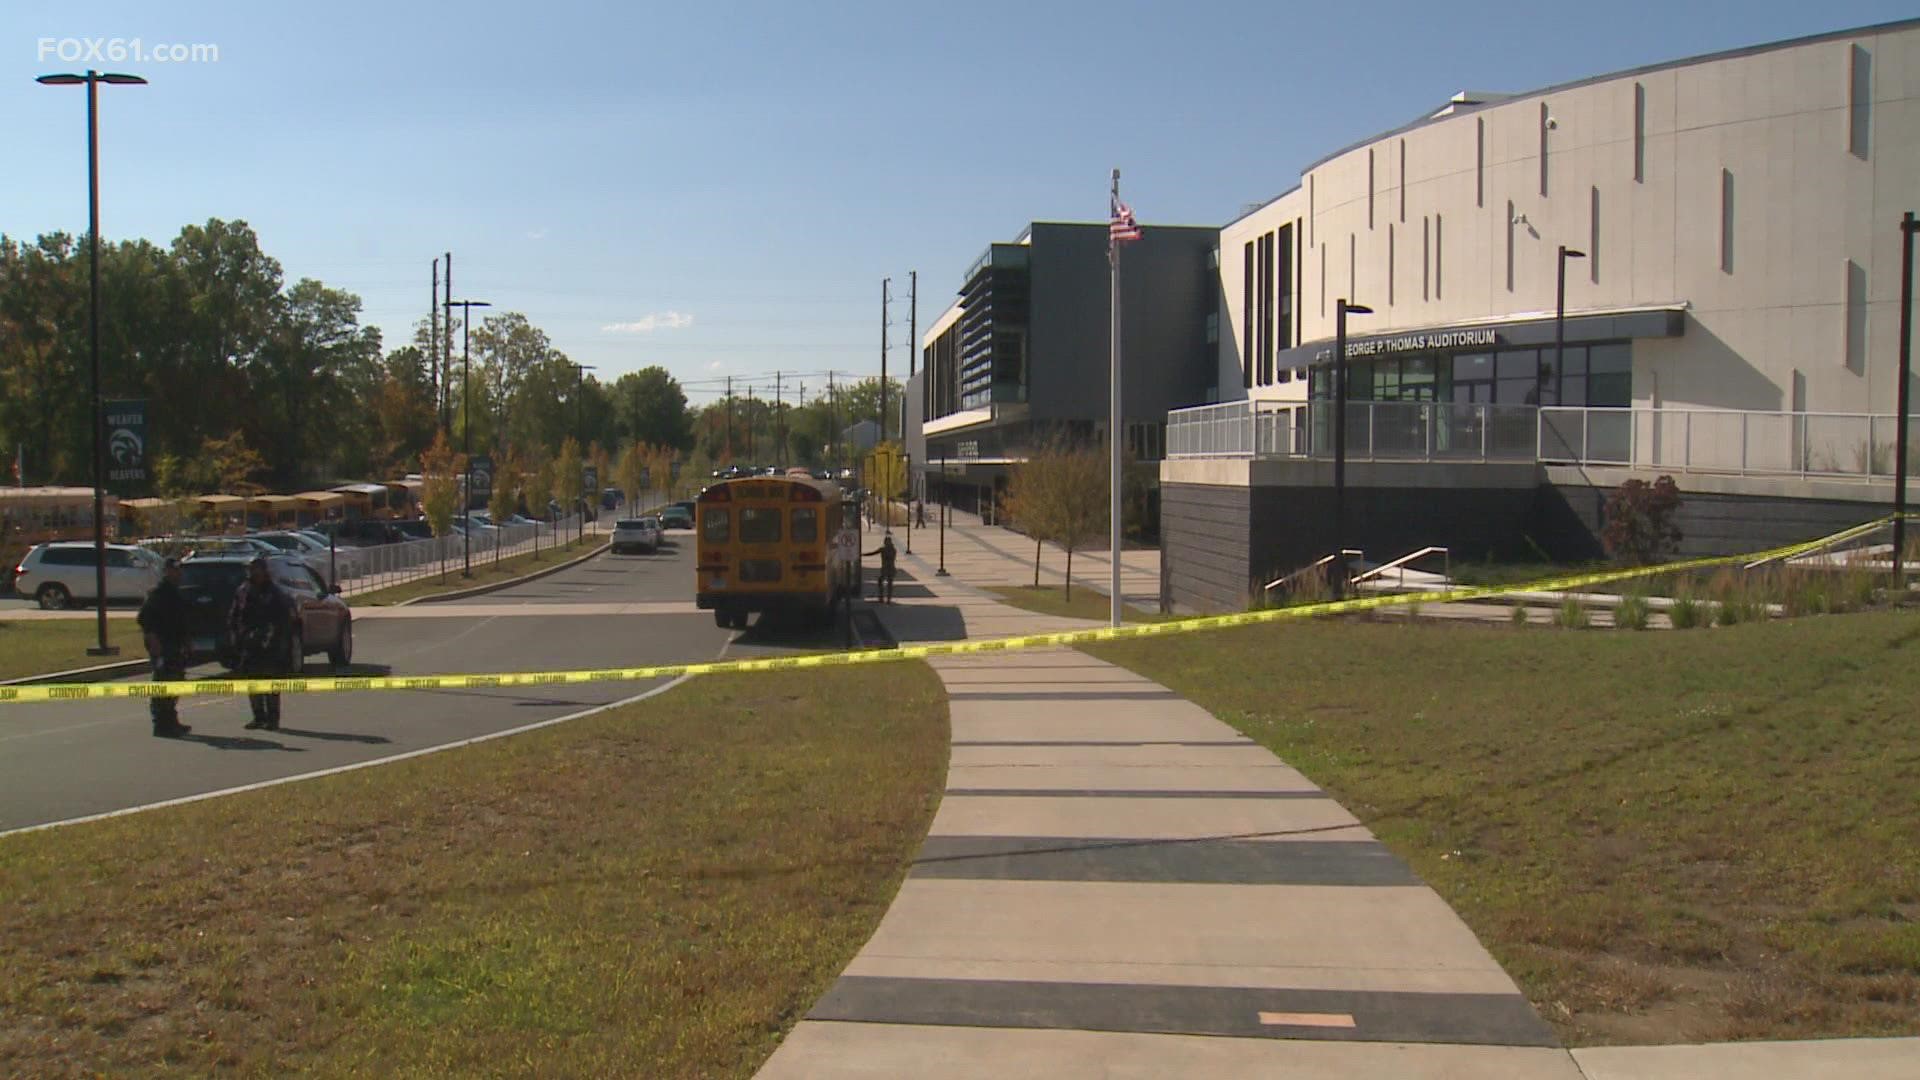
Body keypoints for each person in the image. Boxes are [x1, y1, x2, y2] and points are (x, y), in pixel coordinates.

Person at [229, 556, 293, 731]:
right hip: (249, 645)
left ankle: (272, 719)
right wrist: (236, 636)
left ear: (264, 571)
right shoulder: (243, 590)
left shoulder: (274, 593)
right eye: (250, 569)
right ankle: (258, 717)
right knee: (253, 682)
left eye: (256, 569)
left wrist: (277, 641)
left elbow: (283, 620)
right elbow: (235, 615)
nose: (252, 572)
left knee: (270, 683)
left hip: (269, 645)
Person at [137, 557, 192, 738]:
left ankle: (171, 721)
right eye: (174, 570)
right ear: (166, 571)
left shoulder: (176, 593)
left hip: (176, 645)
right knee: (163, 685)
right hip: (163, 646)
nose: (178, 573)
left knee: (175, 684)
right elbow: (145, 620)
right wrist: (154, 644)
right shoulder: (158, 594)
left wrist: (186, 642)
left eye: (179, 570)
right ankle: (161, 724)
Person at [864, 534, 898, 603]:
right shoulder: (894, 549)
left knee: (881, 581)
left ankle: (881, 597)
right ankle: (888, 599)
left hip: (885, 568)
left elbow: (873, 553)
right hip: (892, 568)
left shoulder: (883, 549)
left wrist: (863, 554)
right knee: (890, 583)